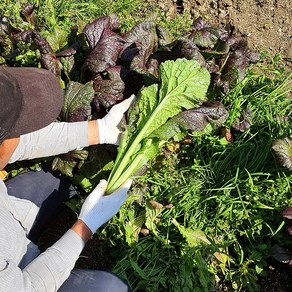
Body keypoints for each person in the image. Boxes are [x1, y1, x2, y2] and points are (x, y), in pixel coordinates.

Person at [0, 66, 135, 291]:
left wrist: (100, 130)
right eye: (16, 132)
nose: (21, 136)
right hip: (21, 279)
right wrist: (85, 226)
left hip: (8, 219)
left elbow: (22, 144)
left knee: (52, 181)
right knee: (110, 288)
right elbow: (28, 287)